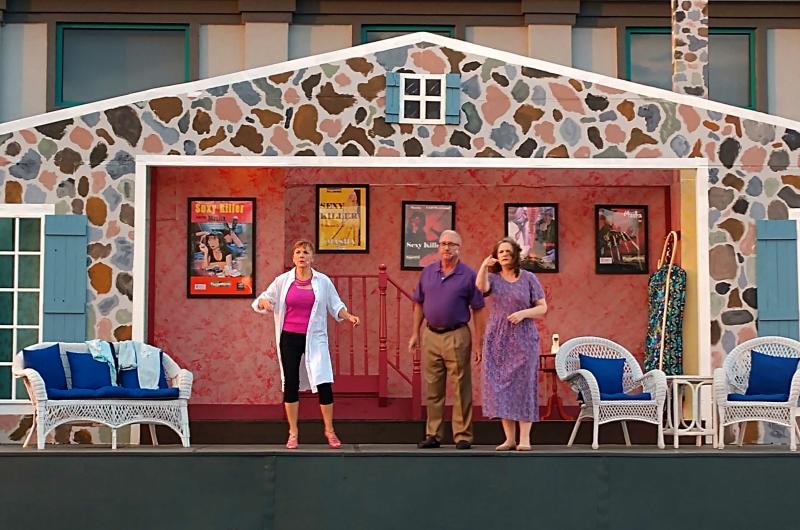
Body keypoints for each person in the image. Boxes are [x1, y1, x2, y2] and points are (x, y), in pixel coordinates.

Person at [252, 239, 360, 449]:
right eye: (298, 252)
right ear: (293, 258)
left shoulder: (323, 281)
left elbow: (335, 304)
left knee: (323, 380)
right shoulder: (283, 281)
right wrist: (264, 303)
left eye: (306, 252)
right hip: (289, 337)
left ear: (312, 258)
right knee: (290, 382)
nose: (302, 256)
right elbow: (265, 298)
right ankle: (293, 432)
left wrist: (348, 316)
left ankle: (329, 430)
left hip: (315, 337)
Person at [409, 230, 485, 450]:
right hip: (431, 335)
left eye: (451, 244)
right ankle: (433, 434)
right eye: (442, 243)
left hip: (457, 334)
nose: (446, 248)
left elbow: (478, 309)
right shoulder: (428, 272)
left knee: (461, 386)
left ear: (459, 248)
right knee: (433, 388)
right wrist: (415, 332)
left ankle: (462, 435)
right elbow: (419, 303)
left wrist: (479, 343)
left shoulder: (468, 275)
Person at [476, 237, 547, 451]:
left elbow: (542, 308)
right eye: (500, 252)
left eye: (508, 251)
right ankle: (509, 439)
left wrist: (523, 314)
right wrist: (482, 266)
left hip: (524, 339)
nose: (504, 254)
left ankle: (525, 439)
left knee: (524, 386)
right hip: (497, 339)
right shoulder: (493, 278)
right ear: (496, 257)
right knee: (500, 387)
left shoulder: (529, 278)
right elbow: (480, 288)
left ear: (515, 254)